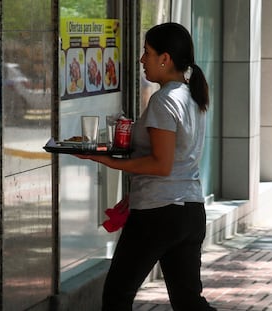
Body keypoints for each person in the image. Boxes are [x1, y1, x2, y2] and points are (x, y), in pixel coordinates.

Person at [75, 22, 216, 311]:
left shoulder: (164, 100)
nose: (142, 60)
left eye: (147, 52)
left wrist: (111, 162)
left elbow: (161, 165)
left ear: (165, 59)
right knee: (189, 303)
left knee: (117, 295)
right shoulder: (191, 95)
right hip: (189, 210)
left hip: (158, 213)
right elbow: (171, 158)